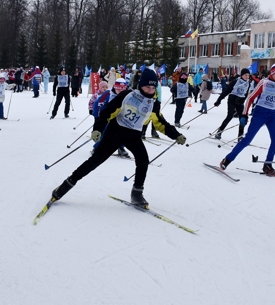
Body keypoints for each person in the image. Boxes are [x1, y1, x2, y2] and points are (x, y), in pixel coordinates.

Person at [50, 69, 184, 207]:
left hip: (133, 136)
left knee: (143, 160)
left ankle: (137, 193)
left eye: (152, 88)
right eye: (147, 87)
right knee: (94, 161)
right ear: (140, 85)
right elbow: (107, 111)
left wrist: (176, 135)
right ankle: (65, 185)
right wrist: (98, 129)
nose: (150, 91)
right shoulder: (127, 95)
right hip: (115, 133)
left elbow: (161, 123)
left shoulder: (153, 104)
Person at [219, 64, 275, 176]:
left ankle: (267, 165)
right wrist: (245, 115)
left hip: (272, 115)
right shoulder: (264, 83)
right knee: (247, 140)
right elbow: (250, 98)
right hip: (260, 113)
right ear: (272, 73)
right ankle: (227, 159)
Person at [214, 68, 253, 141]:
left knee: (242, 119)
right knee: (230, 116)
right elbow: (226, 91)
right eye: (245, 75)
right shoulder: (236, 81)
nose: (247, 77)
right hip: (232, 100)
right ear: (242, 75)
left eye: (248, 75)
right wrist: (219, 100)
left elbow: (245, 94)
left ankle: (240, 136)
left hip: (240, 102)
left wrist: (242, 102)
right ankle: (219, 132)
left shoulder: (248, 83)